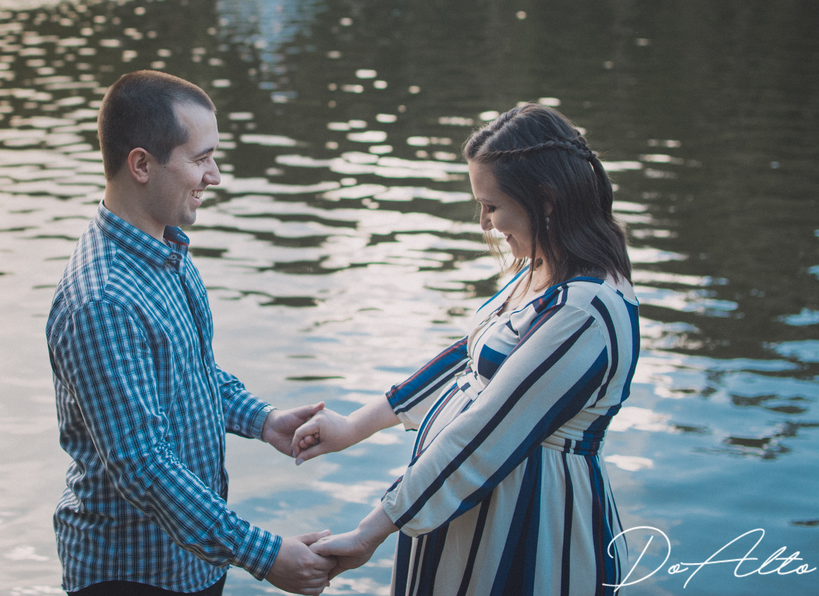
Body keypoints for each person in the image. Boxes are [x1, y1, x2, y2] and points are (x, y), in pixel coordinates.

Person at [292, 104, 640, 596]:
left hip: (527, 521)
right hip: (470, 503)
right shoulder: (543, 272)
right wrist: (353, 426)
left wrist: (372, 531)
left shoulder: (584, 312)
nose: (484, 224)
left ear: (545, 200)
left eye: (491, 206)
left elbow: (486, 432)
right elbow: (469, 360)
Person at [46, 70, 336, 596]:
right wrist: (265, 554)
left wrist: (263, 420)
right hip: (132, 576)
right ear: (141, 164)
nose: (215, 176)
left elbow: (190, 374)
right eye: (201, 159)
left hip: (193, 564)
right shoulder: (102, 300)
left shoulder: (166, 250)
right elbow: (144, 466)